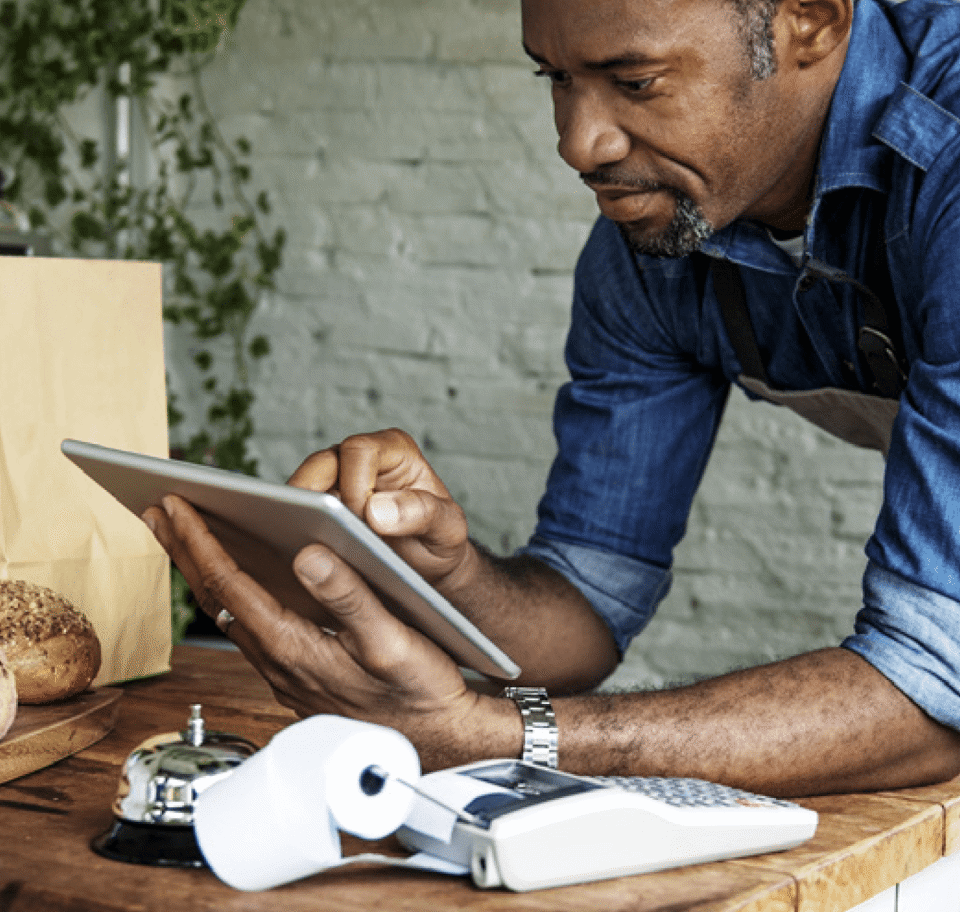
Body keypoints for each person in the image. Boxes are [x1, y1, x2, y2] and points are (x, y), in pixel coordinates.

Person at [143, 0, 960, 797]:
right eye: (556, 78)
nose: (579, 143)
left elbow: (932, 689)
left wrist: (496, 740)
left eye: (634, 81)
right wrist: (447, 576)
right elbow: (587, 607)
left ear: (809, 21)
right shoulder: (655, 242)